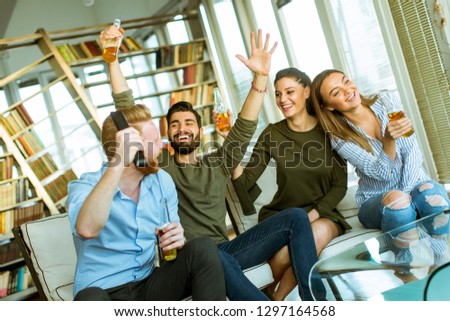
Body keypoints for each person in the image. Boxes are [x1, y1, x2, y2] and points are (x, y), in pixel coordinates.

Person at [101, 26, 325, 301]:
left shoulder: (217, 162)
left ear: (199, 131)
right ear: (167, 134)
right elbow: (127, 109)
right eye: (175, 125)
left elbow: (243, 127)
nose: (182, 128)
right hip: (190, 260)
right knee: (209, 252)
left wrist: (261, 77)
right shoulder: (160, 166)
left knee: (296, 217)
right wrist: (112, 60)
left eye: (189, 123)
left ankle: (316, 300)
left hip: (227, 250)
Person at [67, 104, 226, 300]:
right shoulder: (84, 186)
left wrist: (178, 241)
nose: (162, 146)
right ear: (133, 149)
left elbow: (172, 246)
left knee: (203, 247)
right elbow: (87, 229)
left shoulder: (161, 181)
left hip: (149, 285)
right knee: (90, 299)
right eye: (156, 141)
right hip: (104, 293)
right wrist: (119, 162)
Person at [231, 67, 349, 300]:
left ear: (306, 92)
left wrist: (313, 215)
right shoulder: (272, 134)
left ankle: (275, 299)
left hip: (322, 215)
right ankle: (262, 297)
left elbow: (340, 185)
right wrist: (231, 146)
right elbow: (244, 184)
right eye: (277, 94)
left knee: (312, 234)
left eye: (289, 92)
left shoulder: (329, 128)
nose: (282, 99)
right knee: (289, 248)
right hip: (282, 217)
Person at [310, 69, 450, 266]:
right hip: (374, 201)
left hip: (411, 185)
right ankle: (405, 262)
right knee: (397, 202)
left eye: (346, 81)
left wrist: (406, 194)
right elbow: (381, 173)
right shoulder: (339, 138)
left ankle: (441, 256)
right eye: (336, 93)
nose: (347, 90)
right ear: (329, 106)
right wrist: (389, 140)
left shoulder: (386, 101)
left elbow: (413, 152)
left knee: (434, 193)